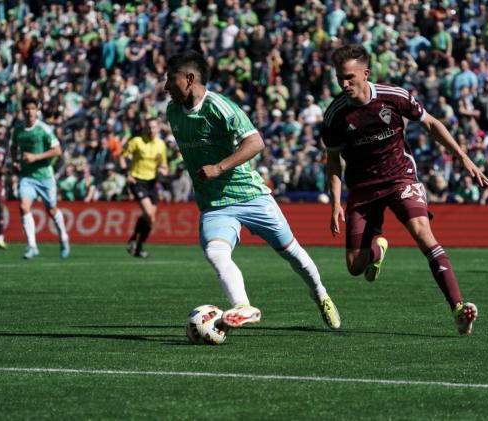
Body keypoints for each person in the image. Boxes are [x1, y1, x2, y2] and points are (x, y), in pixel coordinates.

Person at [164, 50, 340, 330]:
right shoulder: (173, 111)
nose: (165, 87)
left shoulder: (221, 107)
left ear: (189, 78)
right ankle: (243, 306)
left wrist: (219, 168)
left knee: (291, 252)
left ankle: (320, 294)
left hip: (250, 196)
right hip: (215, 203)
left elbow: (256, 143)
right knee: (216, 254)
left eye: (170, 80)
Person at [322, 45, 488, 335]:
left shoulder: (394, 96)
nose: (344, 84)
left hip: (401, 177)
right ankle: (378, 248)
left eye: (349, 77)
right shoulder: (335, 115)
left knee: (422, 233)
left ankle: (459, 309)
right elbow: (333, 161)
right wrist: (336, 202)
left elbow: (432, 124)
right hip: (362, 188)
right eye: (340, 78)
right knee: (354, 266)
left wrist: (463, 158)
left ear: (366, 73)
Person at [10, 96, 70, 259]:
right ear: (23, 110)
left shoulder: (44, 129)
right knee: (23, 207)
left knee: (51, 210)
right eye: (27, 108)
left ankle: (64, 238)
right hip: (27, 176)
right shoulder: (18, 130)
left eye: (33, 108)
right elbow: (13, 147)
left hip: (44, 176)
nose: (30, 112)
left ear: (38, 110)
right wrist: (15, 161)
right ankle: (32, 246)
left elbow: (57, 151)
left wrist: (36, 157)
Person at [119, 118, 168, 258]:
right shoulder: (137, 141)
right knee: (148, 213)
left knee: (150, 219)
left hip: (152, 183)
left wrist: (164, 170)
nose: (151, 130)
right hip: (137, 180)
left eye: (153, 127)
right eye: (149, 127)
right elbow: (122, 157)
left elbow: (163, 164)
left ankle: (136, 244)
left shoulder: (161, 145)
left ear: (158, 128)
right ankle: (134, 242)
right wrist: (126, 174)